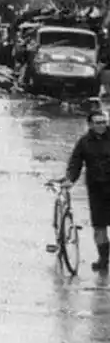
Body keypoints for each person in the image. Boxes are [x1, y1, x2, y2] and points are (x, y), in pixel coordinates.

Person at [64, 109, 110, 271]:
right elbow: (75, 162)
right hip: (97, 188)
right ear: (90, 125)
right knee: (99, 225)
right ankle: (103, 259)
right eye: (98, 123)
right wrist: (70, 179)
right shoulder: (84, 142)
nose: (102, 125)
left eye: (104, 122)